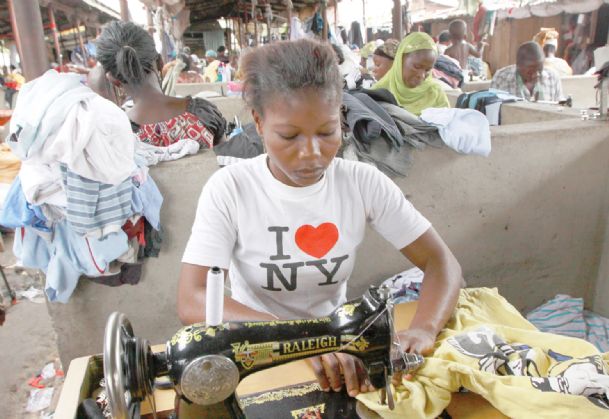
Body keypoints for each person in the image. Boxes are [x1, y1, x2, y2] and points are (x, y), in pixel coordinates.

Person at [177, 38, 463, 398]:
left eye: (327, 132)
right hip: (258, 347)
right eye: (289, 136)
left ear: (341, 115)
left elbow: (441, 263)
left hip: (335, 352)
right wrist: (299, 339)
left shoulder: (362, 182)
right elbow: (192, 298)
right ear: (259, 122)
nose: (312, 153)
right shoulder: (231, 189)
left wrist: (424, 328)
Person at [96, 21, 225, 148]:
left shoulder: (119, 136)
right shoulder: (204, 113)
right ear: (160, 62)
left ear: (113, 79)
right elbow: (227, 161)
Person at [373, 32, 450, 116]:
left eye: (427, 70)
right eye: (417, 67)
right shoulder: (377, 94)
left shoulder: (435, 93)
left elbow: (448, 124)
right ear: (400, 60)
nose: (422, 75)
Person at [491, 41, 563, 102]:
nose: (536, 75)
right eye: (530, 72)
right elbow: (492, 109)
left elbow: (560, 107)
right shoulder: (501, 78)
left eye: (540, 69)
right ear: (518, 65)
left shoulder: (553, 77)